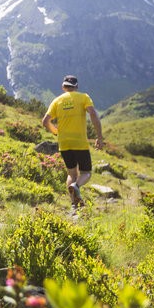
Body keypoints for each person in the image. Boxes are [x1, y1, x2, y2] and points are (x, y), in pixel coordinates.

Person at [42, 75, 104, 209]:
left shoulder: (57, 101)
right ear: (76, 86)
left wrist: (56, 132)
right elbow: (93, 114)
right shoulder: (84, 97)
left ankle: (74, 204)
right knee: (86, 173)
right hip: (79, 142)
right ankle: (76, 186)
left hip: (64, 143)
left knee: (71, 173)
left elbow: (45, 122)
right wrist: (99, 136)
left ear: (63, 87)